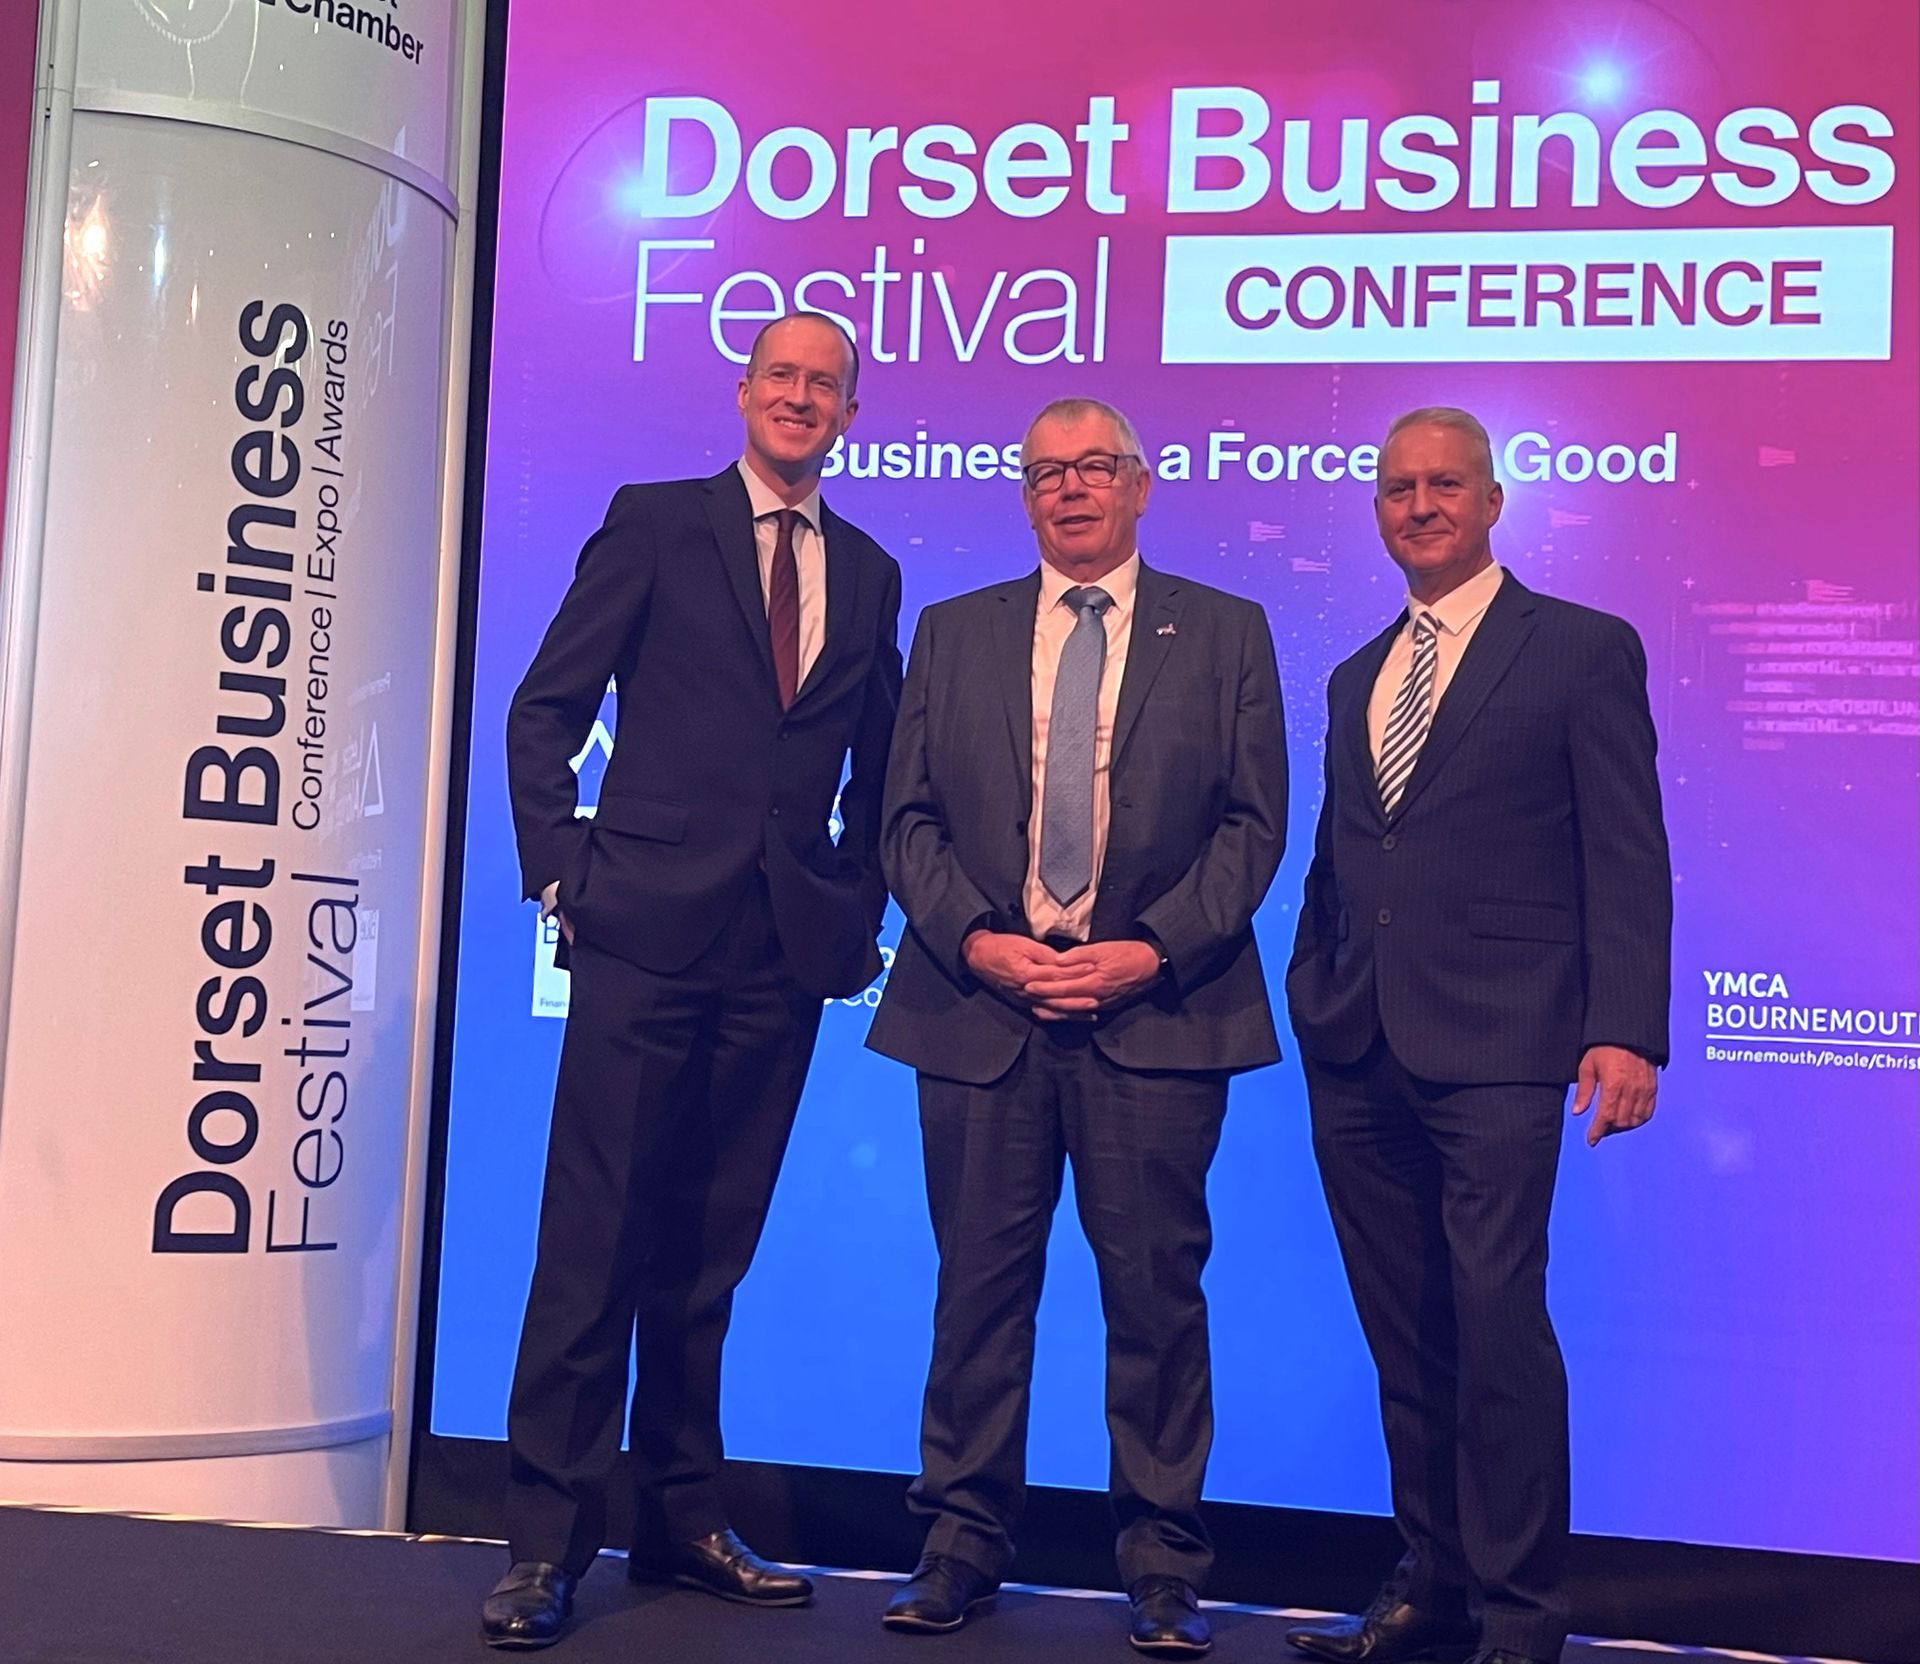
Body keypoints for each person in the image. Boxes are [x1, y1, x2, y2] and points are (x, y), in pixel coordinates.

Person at [481, 313, 902, 1649]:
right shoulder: (656, 522)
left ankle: (679, 1519)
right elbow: (546, 708)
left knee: (707, 1260)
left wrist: (849, 906)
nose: (800, 396)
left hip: (777, 957)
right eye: (781, 375)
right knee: (591, 1250)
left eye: (823, 383)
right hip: (642, 938)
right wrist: (564, 871)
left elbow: (881, 770)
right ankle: (546, 1547)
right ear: (744, 394)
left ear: (847, 410)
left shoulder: (875, 571)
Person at [867, 397, 1287, 1658]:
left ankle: (1162, 1564)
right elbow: (908, 820)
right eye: (1047, 472)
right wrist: (980, 942)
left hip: (1156, 1009)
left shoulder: (1224, 630)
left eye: (1095, 467)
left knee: (1157, 1300)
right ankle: (956, 1547)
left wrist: (1152, 946)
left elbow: (1251, 827)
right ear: (1024, 492)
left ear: (1142, 484)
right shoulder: (953, 630)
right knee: (976, 1297)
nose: (1072, 489)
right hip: (979, 1009)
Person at [1284, 407, 1671, 1664]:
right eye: (1396, 487)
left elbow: (1625, 850)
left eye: (1444, 482)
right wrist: (1311, 984)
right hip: (1359, 1046)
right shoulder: (1356, 674)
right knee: (1405, 1334)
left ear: (1494, 499)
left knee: (1497, 1324)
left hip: (1507, 1047)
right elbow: (1346, 858)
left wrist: (1624, 1027)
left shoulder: (1579, 649)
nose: (1420, 503)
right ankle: (1429, 1585)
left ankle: (1519, 1615)